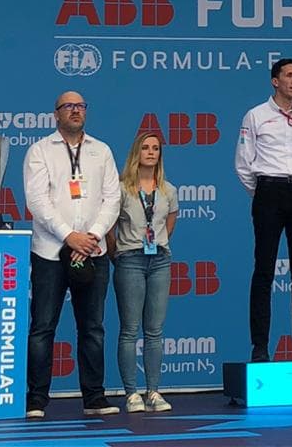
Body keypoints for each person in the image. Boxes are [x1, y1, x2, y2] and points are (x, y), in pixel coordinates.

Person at [23, 91, 121, 418]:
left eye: (81, 106)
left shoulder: (101, 151)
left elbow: (112, 199)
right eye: (69, 106)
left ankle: (94, 398)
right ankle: (36, 399)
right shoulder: (40, 151)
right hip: (51, 252)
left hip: (93, 251)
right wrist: (69, 235)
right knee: (42, 327)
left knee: (92, 327)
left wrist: (92, 236)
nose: (76, 110)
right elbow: (37, 202)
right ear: (56, 114)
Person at [235, 58, 292, 362]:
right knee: (264, 271)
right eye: (288, 75)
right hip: (268, 192)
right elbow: (244, 163)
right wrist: (264, 189)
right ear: (275, 81)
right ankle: (260, 347)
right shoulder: (256, 115)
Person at [108, 130, 178, 412]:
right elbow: (109, 228)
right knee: (129, 330)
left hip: (160, 260)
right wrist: (118, 254)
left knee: (155, 331)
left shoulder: (168, 190)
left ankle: (153, 391)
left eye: (156, 148)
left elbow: (170, 220)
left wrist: (160, 241)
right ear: (137, 152)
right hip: (129, 259)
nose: (151, 152)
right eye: (146, 148)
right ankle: (131, 393)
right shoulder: (122, 188)